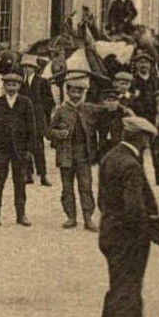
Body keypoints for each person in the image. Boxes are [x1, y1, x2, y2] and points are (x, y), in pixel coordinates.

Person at [94, 113, 159, 317]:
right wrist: (141, 235)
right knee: (124, 292)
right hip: (127, 239)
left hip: (111, 232)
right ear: (138, 138)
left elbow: (103, 200)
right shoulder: (129, 164)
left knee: (128, 289)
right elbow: (134, 208)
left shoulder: (111, 156)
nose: (148, 145)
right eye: (147, 140)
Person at [0, 65, 39, 226]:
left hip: (20, 150)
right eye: (8, 85)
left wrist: (30, 149)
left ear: (19, 86)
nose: (11, 87)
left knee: (20, 183)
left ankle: (21, 215)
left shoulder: (25, 103)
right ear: (4, 86)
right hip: (0, 150)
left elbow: (32, 127)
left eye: (14, 85)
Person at [46, 77, 99, 230]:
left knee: (86, 186)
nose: (76, 94)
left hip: (84, 155)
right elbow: (48, 131)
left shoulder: (89, 109)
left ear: (84, 93)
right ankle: (71, 217)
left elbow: (108, 112)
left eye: (79, 91)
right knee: (67, 187)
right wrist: (58, 133)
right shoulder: (61, 111)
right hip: (66, 155)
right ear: (67, 92)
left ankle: (88, 218)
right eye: (73, 91)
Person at [19, 54, 54, 187]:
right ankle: (28, 174)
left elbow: (49, 102)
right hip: (23, 121)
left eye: (30, 67)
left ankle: (43, 175)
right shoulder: (20, 83)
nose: (27, 69)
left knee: (38, 148)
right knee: (24, 147)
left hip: (38, 121)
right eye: (25, 67)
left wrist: (46, 120)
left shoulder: (42, 82)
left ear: (34, 68)